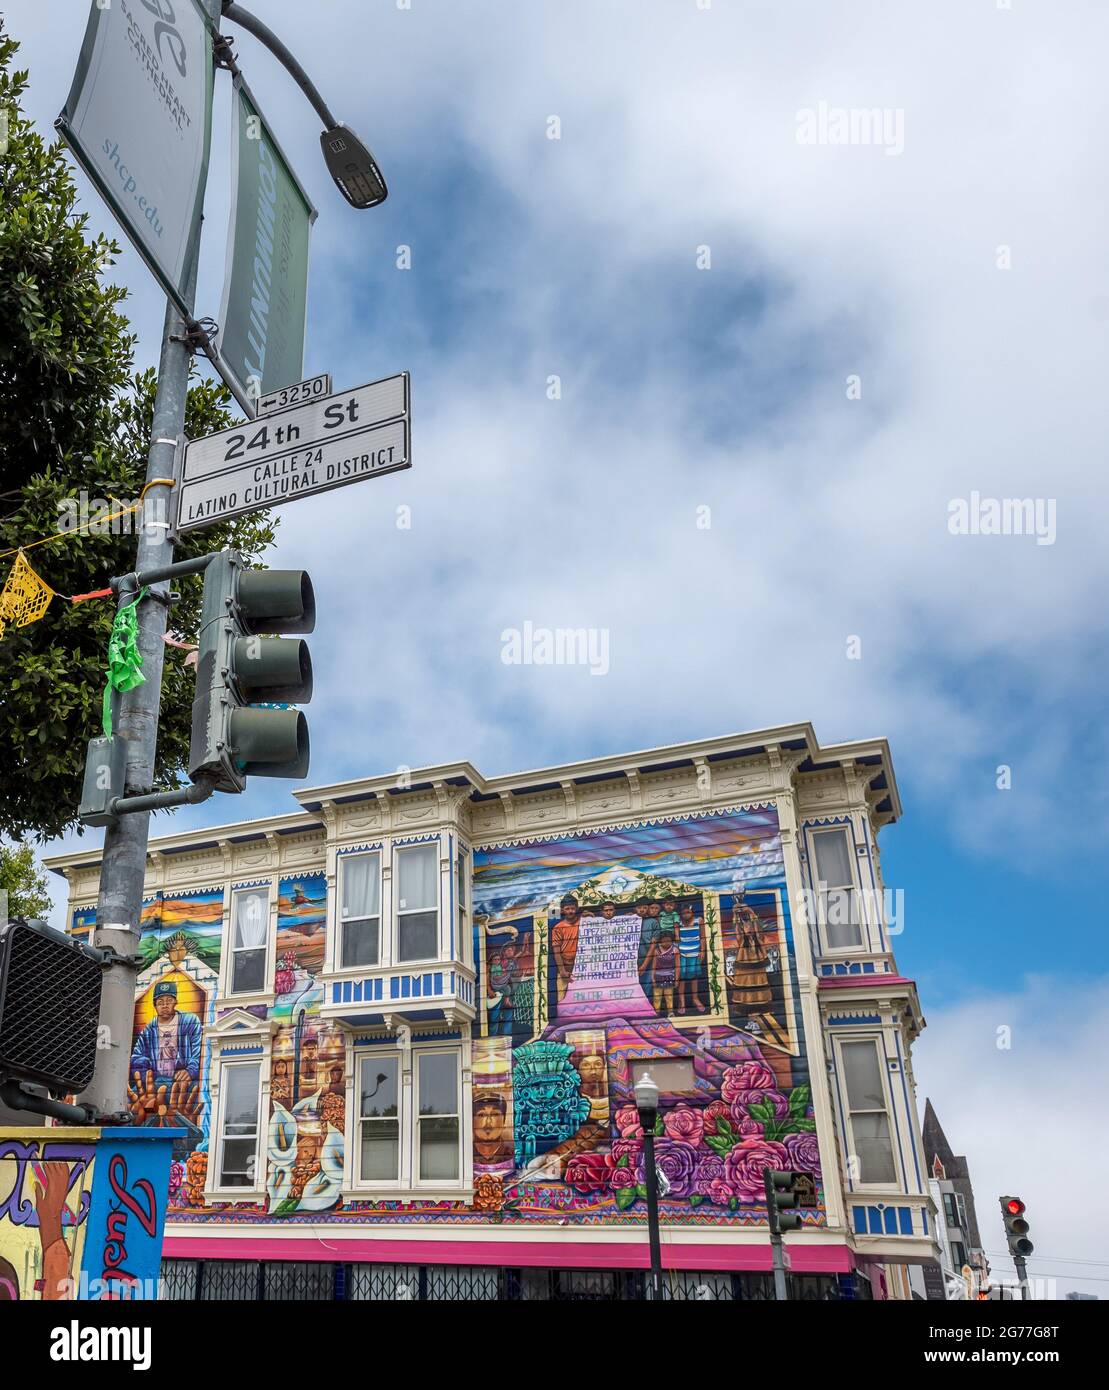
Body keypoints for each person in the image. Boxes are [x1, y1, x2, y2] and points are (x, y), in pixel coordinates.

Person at [130, 981, 201, 1089]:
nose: (165, 1005)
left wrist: (190, 1071)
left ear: (175, 1002)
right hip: (155, 1081)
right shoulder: (149, 1030)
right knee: (132, 1099)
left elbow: (200, 1051)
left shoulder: (190, 1021)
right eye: (160, 1002)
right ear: (154, 1005)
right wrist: (147, 1077)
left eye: (169, 1001)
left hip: (180, 1080)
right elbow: (136, 1057)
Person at [676, 899, 706, 1013]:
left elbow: (702, 937)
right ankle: (681, 1001)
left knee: (694, 977)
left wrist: (702, 951)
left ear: (692, 911)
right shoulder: (678, 922)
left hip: (695, 953)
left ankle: (695, 998)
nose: (686, 914)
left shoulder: (699, 920)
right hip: (682, 954)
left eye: (688, 912)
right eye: (683, 913)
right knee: (682, 978)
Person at [551, 895, 581, 1001]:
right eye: (567, 908)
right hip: (565, 969)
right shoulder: (558, 928)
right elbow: (556, 951)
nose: (570, 911)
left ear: (577, 908)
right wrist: (562, 971)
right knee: (562, 998)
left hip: (581, 968)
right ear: (562, 910)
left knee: (581, 997)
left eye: (572, 908)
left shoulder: (584, 922)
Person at [473, 1092, 513, 1170]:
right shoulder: (464, 1156)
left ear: (504, 1122)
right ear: (472, 1122)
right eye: (481, 1115)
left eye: (495, 1114)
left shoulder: (513, 1156)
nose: (488, 1121)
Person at [643, 928, 678, 1015]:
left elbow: (677, 966)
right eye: (664, 941)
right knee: (657, 997)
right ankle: (656, 1013)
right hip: (658, 977)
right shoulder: (657, 951)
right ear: (660, 941)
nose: (666, 943)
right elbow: (654, 966)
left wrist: (677, 979)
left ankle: (670, 1012)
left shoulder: (675, 950)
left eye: (668, 941)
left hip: (670, 976)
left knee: (669, 996)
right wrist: (653, 978)